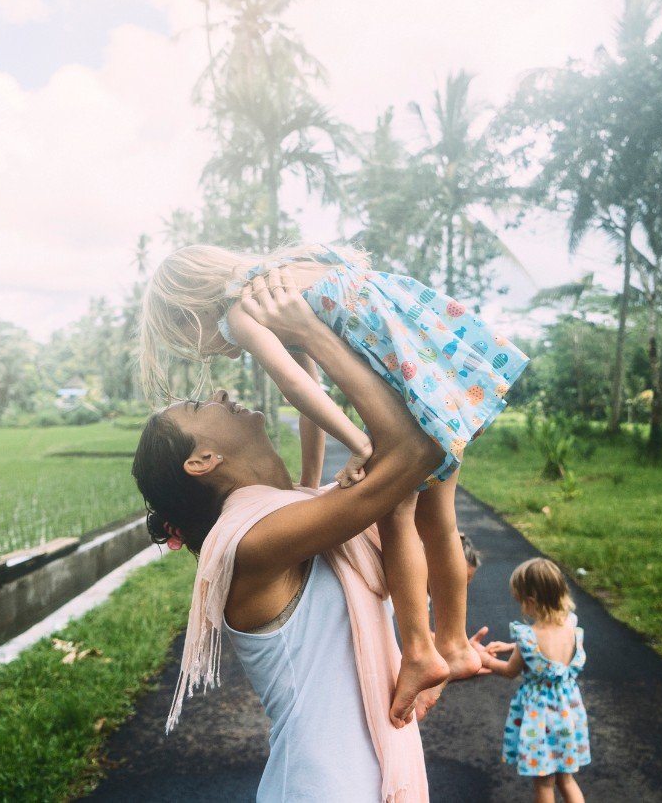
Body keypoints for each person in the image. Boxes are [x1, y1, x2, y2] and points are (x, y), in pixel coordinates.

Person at [136, 243, 530, 725]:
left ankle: (428, 647)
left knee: (403, 511)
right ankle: (451, 640)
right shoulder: (280, 276)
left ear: (188, 314)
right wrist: (306, 481)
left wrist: (358, 442)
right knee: (438, 520)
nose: (213, 372)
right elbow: (309, 389)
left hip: (402, 367)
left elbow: (298, 390)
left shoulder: (242, 312)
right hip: (426, 353)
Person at [132, 273, 449, 801]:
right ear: (202, 461)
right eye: (198, 406)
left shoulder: (296, 514)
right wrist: (311, 332)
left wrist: (301, 343)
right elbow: (417, 451)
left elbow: (406, 471)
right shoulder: (250, 542)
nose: (219, 391)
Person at [483, 558, 590, 803]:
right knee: (566, 778)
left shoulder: (528, 637)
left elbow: (510, 670)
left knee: (544, 782)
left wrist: (485, 660)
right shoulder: (571, 626)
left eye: (520, 601)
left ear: (530, 601)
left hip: (541, 719)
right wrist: (511, 645)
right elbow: (546, 653)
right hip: (568, 713)